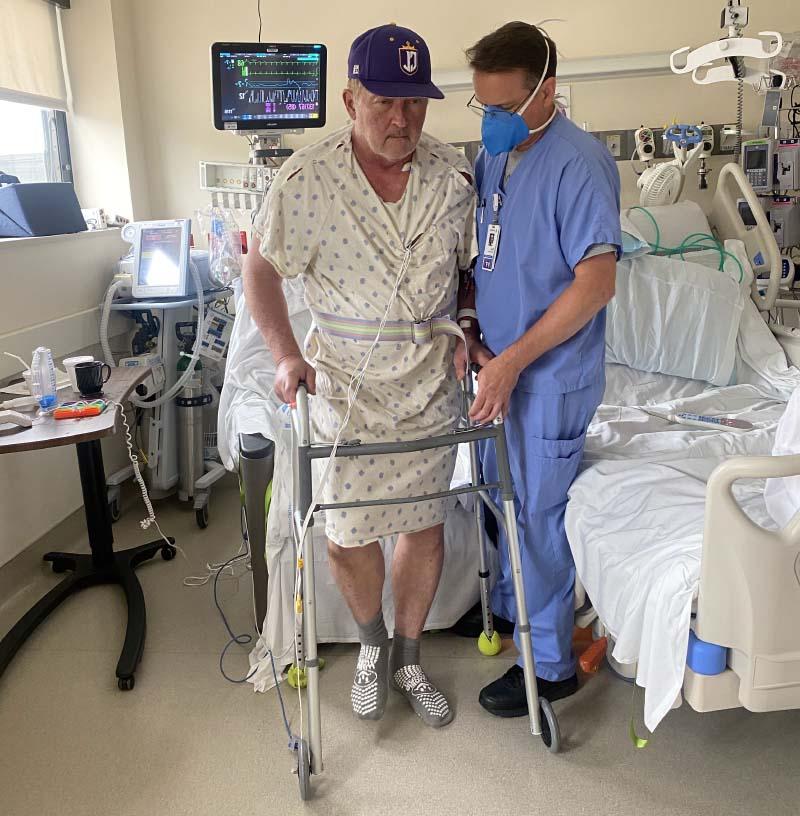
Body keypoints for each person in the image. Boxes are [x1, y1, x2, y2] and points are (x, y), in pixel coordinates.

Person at [242, 24, 476, 728]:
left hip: (429, 382)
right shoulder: (307, 180)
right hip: (344, 384)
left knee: (424, 527)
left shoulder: (453, 174)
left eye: (415, 102)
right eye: (384, 102)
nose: (401, 119)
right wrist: (286, 354)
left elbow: (471, 271)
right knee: (346, 532)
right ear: (350, 99)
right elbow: (259, 267)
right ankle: (372, 647)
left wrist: (467, 324)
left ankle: (409, 655)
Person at [461, 21, 622, 716]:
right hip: (500, 367)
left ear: (547, 92)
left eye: (504, 109)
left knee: (538, 516)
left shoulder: (579, 163)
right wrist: (473, 332)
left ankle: (549, 665)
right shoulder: (498, 156)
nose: (491, 123)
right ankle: (507, 608)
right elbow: (492, 254)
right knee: (501, 502)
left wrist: (515, 361)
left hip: (549, 379)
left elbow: (595, 284)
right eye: (483, 109)